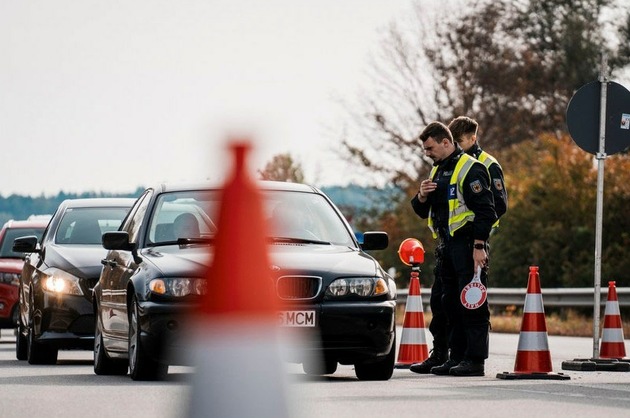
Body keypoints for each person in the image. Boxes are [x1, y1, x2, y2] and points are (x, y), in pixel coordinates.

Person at [410, 116, 508, 375]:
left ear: (445, 142)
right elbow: (424, 210)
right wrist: (421, 195)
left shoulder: (471, 168)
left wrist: (479, 246)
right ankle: (452, 356)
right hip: (446, 246)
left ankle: (474, 360)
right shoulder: (439, 169)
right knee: (447, 303)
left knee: (472, 304)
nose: (427, 154)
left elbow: (488, 211)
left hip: (467, 246)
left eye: (430, 148)